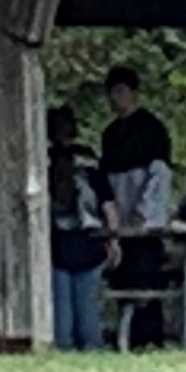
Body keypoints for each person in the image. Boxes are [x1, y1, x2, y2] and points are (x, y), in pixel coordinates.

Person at [99, 65, 176, 346]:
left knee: (146, 278)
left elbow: (159, 175)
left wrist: (142, 213)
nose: (114, 99)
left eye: (120, 92)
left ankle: (150, 336)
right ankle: (126, 335)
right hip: (119, 219)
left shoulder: (152, 130)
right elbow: (107, 180)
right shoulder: (109, 135)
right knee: (123, 278)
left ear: (133, 92)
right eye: (111, 93)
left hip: (145, 224)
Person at [46, 106, 110, 351]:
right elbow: (107, 202)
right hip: (89, 239)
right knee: (88, 306)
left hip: (55, 242)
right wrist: (113, 239)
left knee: (61, 306)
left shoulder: (40, 160)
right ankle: (93, 347)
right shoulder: (89, 160)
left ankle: (62, 348)